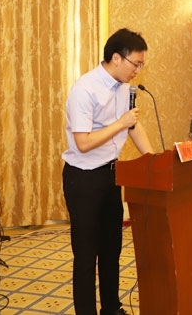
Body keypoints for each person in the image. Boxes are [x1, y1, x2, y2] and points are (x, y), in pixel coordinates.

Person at [62, 28, 155, 315]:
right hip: (83, 179)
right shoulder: (84, 89)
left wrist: (153, 159)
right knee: (86, 254)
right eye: (135, 64)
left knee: (111, 248)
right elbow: (83, 142)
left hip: (112, 175)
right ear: (116, 58)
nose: (138, 70)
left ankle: (111, 308)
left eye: (141, 65)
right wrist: (120, 123)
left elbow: (133, 125)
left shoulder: (124, 87)